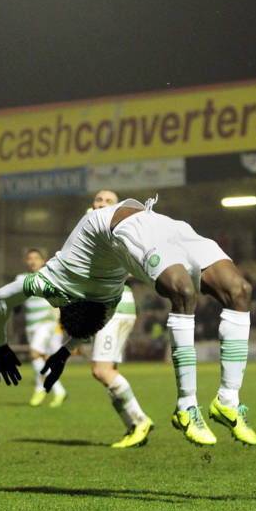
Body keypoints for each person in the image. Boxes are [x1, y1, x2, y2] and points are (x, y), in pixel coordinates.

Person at [0, 195, 256, 447]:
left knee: (240, 291)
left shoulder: (50, 280)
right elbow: (88, 326)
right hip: (133, 230)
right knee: (184, 291)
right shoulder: (107, 302)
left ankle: (228, 400)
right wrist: (62, 351)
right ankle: (187, 406)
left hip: (152, 222)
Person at [87, 189, 154, 449]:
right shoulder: (94, 231)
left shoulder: (118, 233)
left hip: (114, 305)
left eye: (109, 201)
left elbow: (138, 264)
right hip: (104, 306)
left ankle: (139, 421)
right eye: (99, 199)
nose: (102, 203)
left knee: (101, 370)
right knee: (108, 372)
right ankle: (133, 426)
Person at [18, 249, 68, 408]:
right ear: (26, 261)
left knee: (34, 353)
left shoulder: (51, 277)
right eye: (30, 258)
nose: (33, 261)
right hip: (31, 325)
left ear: (43, 260)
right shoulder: (21, 278)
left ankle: (40, 388)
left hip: (46, 323)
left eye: (36, 258)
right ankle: (59, 391)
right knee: (43, 358)